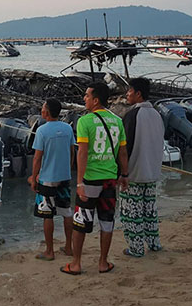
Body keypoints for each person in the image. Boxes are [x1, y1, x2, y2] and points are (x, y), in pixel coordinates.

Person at [60, 82, 128, 275]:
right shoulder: (117, 121)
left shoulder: (85, 121)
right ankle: (103, 262)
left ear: (96, 100)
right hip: (109, 179)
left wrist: (79, 182)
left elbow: (82, 153)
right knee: (107, 222)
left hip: (90, 180)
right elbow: (122, 152)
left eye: (87, 96)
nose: (84, 99)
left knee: (81, 222)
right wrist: (125, 174)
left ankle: (76, 263)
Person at [120, 77, 165, 257]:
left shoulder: (132, 115)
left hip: (135, 172)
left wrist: (122, 172)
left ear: (138, 94)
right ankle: (154, 243)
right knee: (149, 210)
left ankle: (136, 248)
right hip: (152, 171)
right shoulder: (157, 114)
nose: (127, 94)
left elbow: (125, 148)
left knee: (132, 212)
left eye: (129, 91)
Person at [30, 99, 76, 261]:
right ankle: (69, 246)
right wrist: (67, 169)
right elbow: (72, 152)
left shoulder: (42, 131)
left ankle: (50, 251)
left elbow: (37, 158)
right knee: (66, 212)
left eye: (43, 108)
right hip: (64, 176)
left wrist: (34, 177)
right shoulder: (67, 128)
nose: (41, 110)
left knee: (47, 214)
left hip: (47, 178)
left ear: (46, 112)